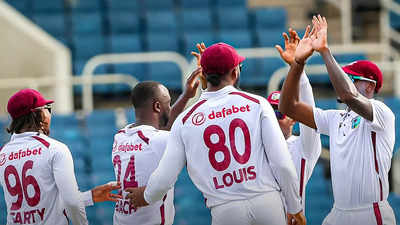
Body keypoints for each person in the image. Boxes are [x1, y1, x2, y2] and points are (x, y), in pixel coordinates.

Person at [125, 42, 306, 225]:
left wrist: (146, 196)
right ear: (235, 73)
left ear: (203, 75)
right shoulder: (257, 104)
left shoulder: (185, 119)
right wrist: (294, 206)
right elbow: (281, 163)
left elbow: (165, 177)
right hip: (267, 203)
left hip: (225, 210)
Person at [279, 15, 396, 225]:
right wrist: (298, 63)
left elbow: (349, 95)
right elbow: (288, 107)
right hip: (338, 213)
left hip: (370, 212)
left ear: (370, 87)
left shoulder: (382, 112)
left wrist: (324, 50)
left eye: (351, 78)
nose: (342, 80)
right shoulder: (336, 118)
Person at [0, 89, 122, 225]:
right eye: (47, 109)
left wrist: (89, 197)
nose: (49, 114)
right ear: (37, 114)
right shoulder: (54, 148)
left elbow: (38, 205)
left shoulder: (3, 153)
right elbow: (72, 202)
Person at [111, 70, 201, 225]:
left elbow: (160, 133)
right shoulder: (162, 140)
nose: (170, 107)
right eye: (168, 103)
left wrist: (186, 96)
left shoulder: (120, 137)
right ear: (158, 106)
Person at [269, 28, 322, 213]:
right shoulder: (257, 146)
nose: (273, 119)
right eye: (271, 113)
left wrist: (297, 66)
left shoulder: (303, 148)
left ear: (293, 119)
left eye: (279, 113)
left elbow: (310, 113)